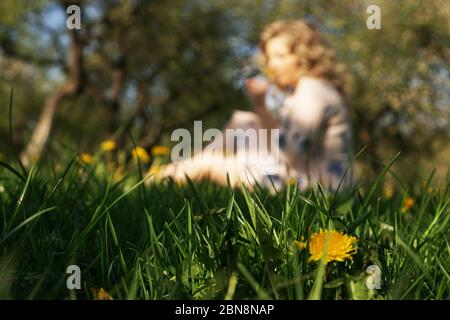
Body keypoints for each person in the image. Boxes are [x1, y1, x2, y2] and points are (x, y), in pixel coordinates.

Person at [150, 20, 357, 192]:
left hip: (314, 189)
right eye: (269, 58)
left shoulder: (312, 92)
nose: (272, 65)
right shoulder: (312, 89)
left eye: (281, 56)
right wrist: (260, 106)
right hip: (305, 176)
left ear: (305, 56)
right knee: (243, 121)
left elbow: (290, 154)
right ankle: (181, 171)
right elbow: (289, 143)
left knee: (211, 165)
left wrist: (243, 158)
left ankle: (157, 182)